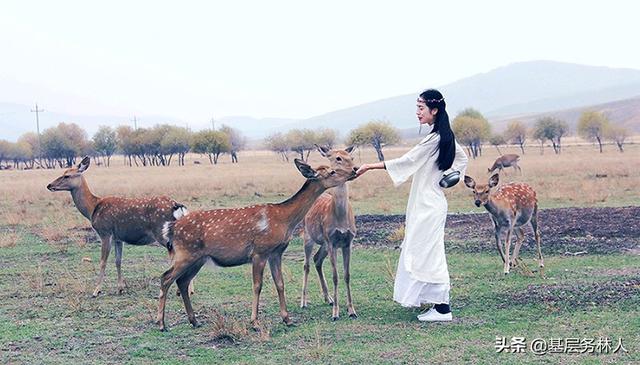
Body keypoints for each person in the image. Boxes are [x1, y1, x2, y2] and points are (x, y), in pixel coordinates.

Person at [355, 89, 468, 321]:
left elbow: (407, 161)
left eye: (421, 108)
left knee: (429, 253)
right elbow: (462, 159)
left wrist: (369, 166)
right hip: (429, 203)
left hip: (429, 206)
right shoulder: (442, 136)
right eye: (417, 108)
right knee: (423, 251)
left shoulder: (436, 139)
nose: (417, 113)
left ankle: (443, 308)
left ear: (434, 110)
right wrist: (450, 175)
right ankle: (436, 303)